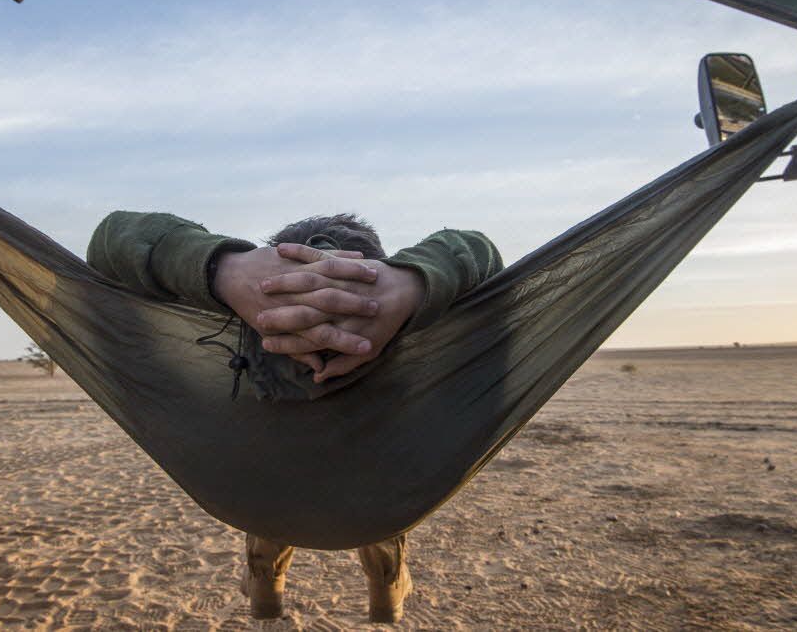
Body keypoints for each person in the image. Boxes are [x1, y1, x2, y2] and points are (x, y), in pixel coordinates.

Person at [86, 211, 501, 622]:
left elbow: (112, 238)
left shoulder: (247, 332)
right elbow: (478, 249)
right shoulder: (403, 331)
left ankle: (266, 586)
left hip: (266, 495)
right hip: (379, 494)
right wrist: (413, 279)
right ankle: (386, 589)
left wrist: (223, 268)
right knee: (373, 482)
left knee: (275, 474)